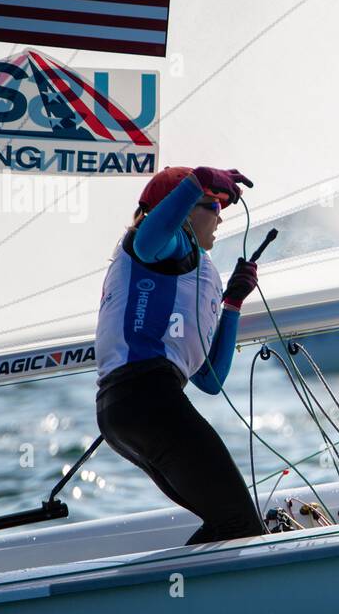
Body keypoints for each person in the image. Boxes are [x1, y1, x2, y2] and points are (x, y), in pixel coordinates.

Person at [94, 165, 266, 545]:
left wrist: (232, 305)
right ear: (183, 209)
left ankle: (169, 596)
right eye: (212, 204)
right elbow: (148, 240)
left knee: (228, 525)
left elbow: (210, 379)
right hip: (146, 401)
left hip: (128, 411)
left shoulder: (195, 269)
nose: (220, 216)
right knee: (240, 526)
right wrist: (197, 181)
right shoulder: (160, 246)